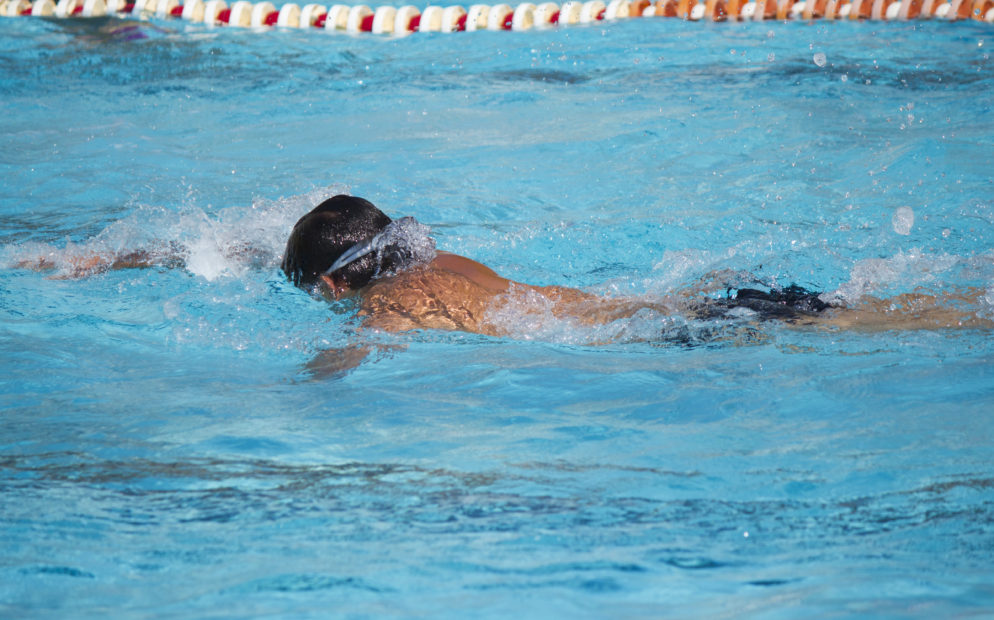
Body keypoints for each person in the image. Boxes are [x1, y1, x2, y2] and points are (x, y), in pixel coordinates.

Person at [282, 194, 993, 338]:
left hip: (659, 333)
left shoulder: (385, 305)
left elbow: (353, 360)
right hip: (662, 306)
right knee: (859, 309)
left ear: (339, 281)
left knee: (889, 324)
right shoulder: (448, 263)